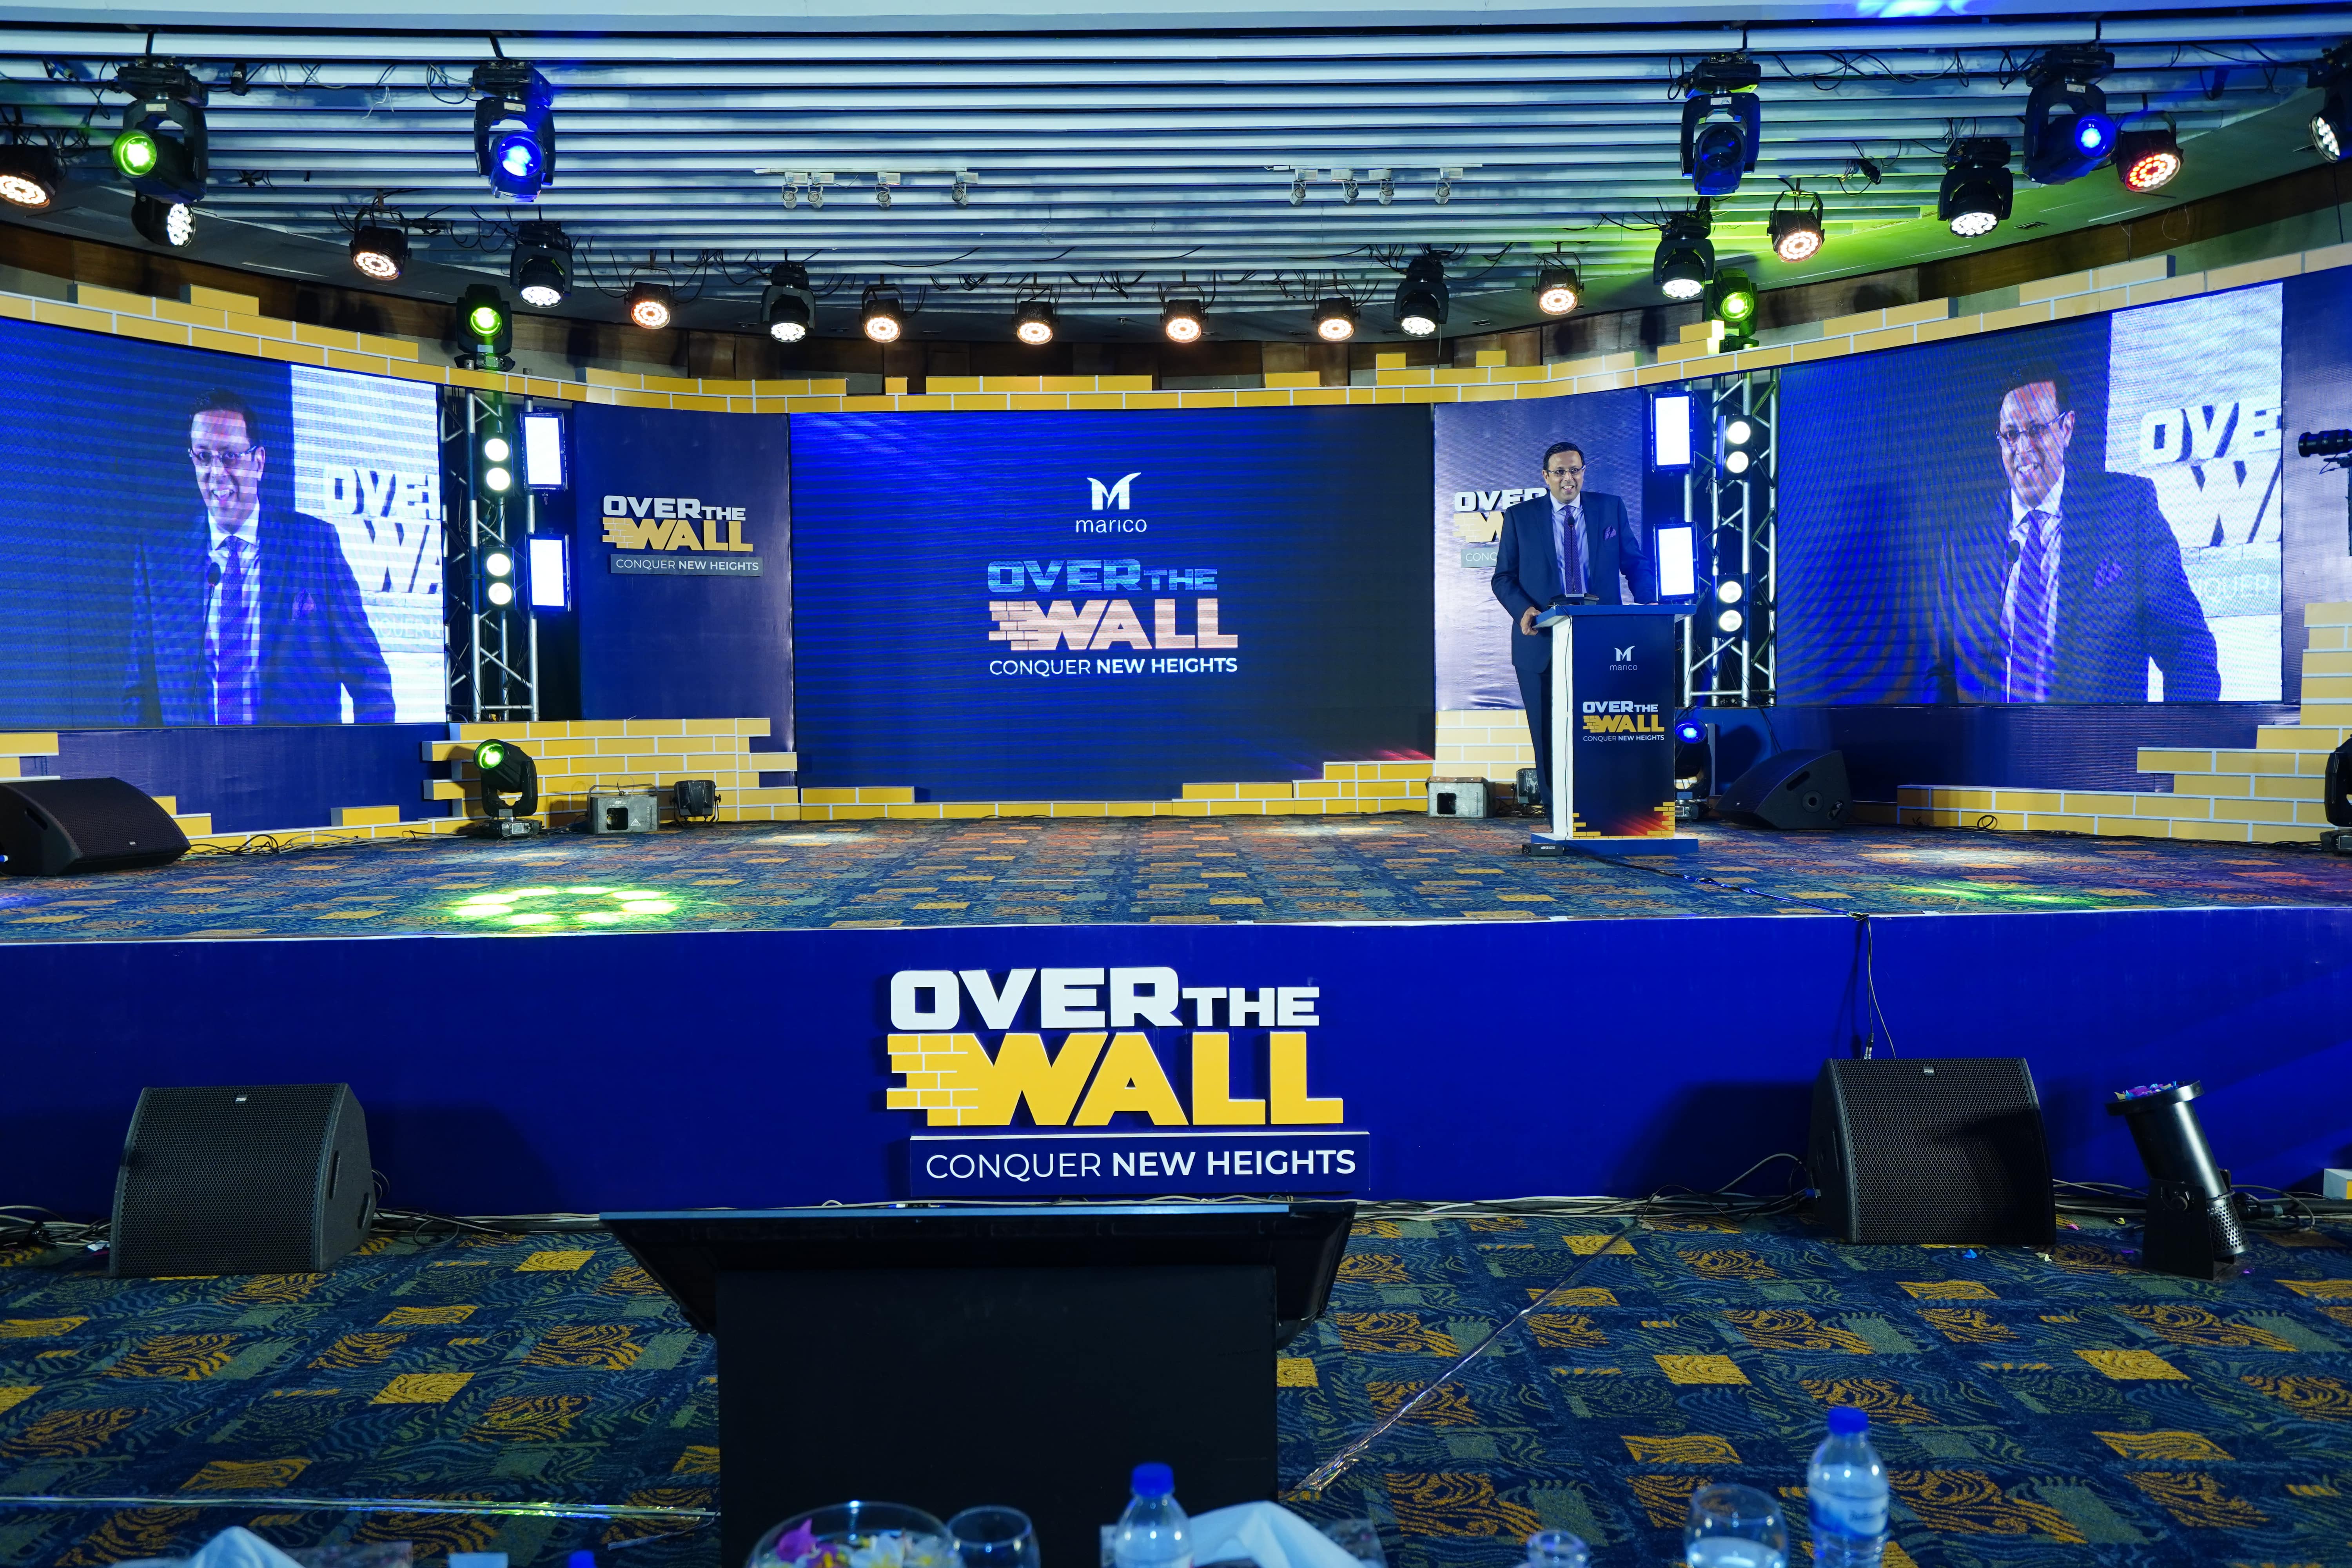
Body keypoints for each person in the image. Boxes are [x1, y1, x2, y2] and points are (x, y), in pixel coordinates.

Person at [1933, 363, 2218, 704]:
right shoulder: (1963, 543)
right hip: (1991, 739)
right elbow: (1940, 673)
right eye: (2011, 435)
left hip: (2093, 739)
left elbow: (2189, 648)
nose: (2023, 448)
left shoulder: (2126, 510)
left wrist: (2173, 736)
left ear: (2066, 428)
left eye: (2037, 429)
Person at [122, 389, 395, 725]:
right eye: (203, 457)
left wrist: (366, 755)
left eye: (230, 456)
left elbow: (368, 676)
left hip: (295, 757)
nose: (217, 472)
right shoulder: (159, 556)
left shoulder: (314, 545)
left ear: (259, 462)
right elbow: (140, 691)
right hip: (193, 757)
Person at [1490, 439, 1652, 802]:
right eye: (1560, 472)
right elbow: (1503, 578)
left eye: (1575, 470)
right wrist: (1524, 610)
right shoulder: (1520, 517)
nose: (1569, 479)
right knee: (1548, 734)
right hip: (1541, 644)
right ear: (1546, 476)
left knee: (1603, 727)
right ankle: (1557, 810)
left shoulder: (1610, 508)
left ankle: (1605, 806)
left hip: (1602, 640)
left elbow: (1635, 562)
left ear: (1584, 472)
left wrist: (1650, 601)